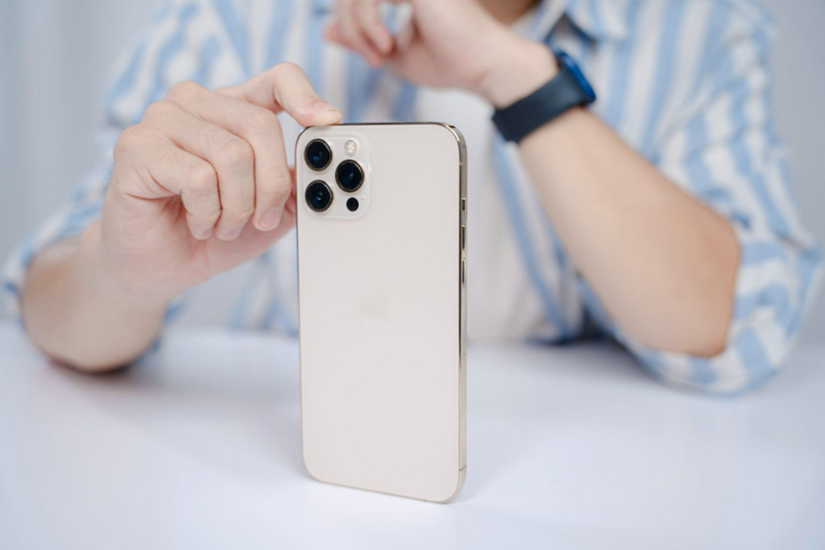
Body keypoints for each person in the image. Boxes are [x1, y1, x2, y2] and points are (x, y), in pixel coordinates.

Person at [3, 0, 820, 393]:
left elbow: (736, 328)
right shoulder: (239, 19)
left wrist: (517, 79)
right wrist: (121, 275)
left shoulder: (697, 26)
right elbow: (48, 303)